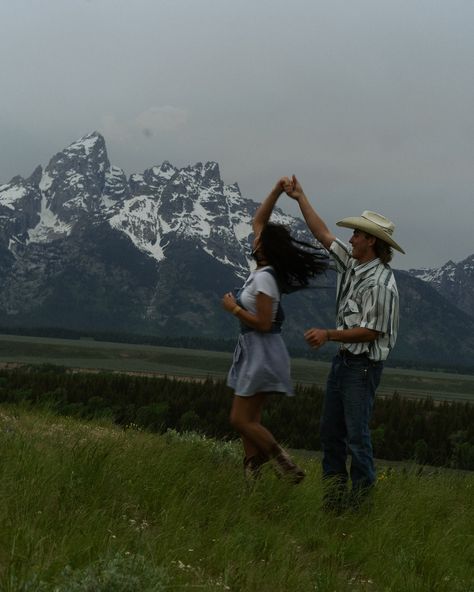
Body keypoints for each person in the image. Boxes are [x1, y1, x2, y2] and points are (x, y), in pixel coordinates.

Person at [283, 175, 404, 510]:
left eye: (356, 234)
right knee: (331, 434)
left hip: (362, 367)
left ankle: (360, 506)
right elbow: (323, 235)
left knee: (356, 437)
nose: (350, 238)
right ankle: (334, 502)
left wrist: (328, 334)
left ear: (371, 242)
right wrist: (300, 197)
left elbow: (371, 331)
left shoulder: (381, 283)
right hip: (344, 363)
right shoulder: (352, 265)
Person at [221, 178, 327, 484]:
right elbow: (259, 219)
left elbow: (265, 324)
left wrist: (235, 309)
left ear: (264, 248)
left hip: (262, 351)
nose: (254, 238)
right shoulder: (264, 273)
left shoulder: (266, 279)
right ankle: (252, 481)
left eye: (258, 239)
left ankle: (285, 464)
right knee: (249, 422)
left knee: (240, 419)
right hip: (255, 351)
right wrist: (278, 191)